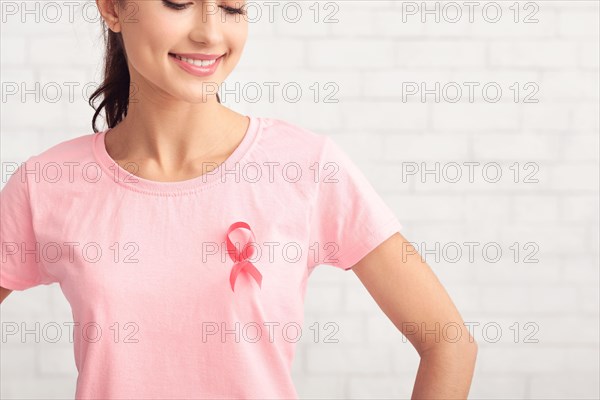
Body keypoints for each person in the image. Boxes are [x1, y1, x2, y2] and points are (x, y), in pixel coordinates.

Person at [0, 0, 478, 399]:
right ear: (112, 7)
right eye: (179, 3)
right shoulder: (47, 183)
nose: (210, 32)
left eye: (231, 7)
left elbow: (449, 343)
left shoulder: (305, 168)